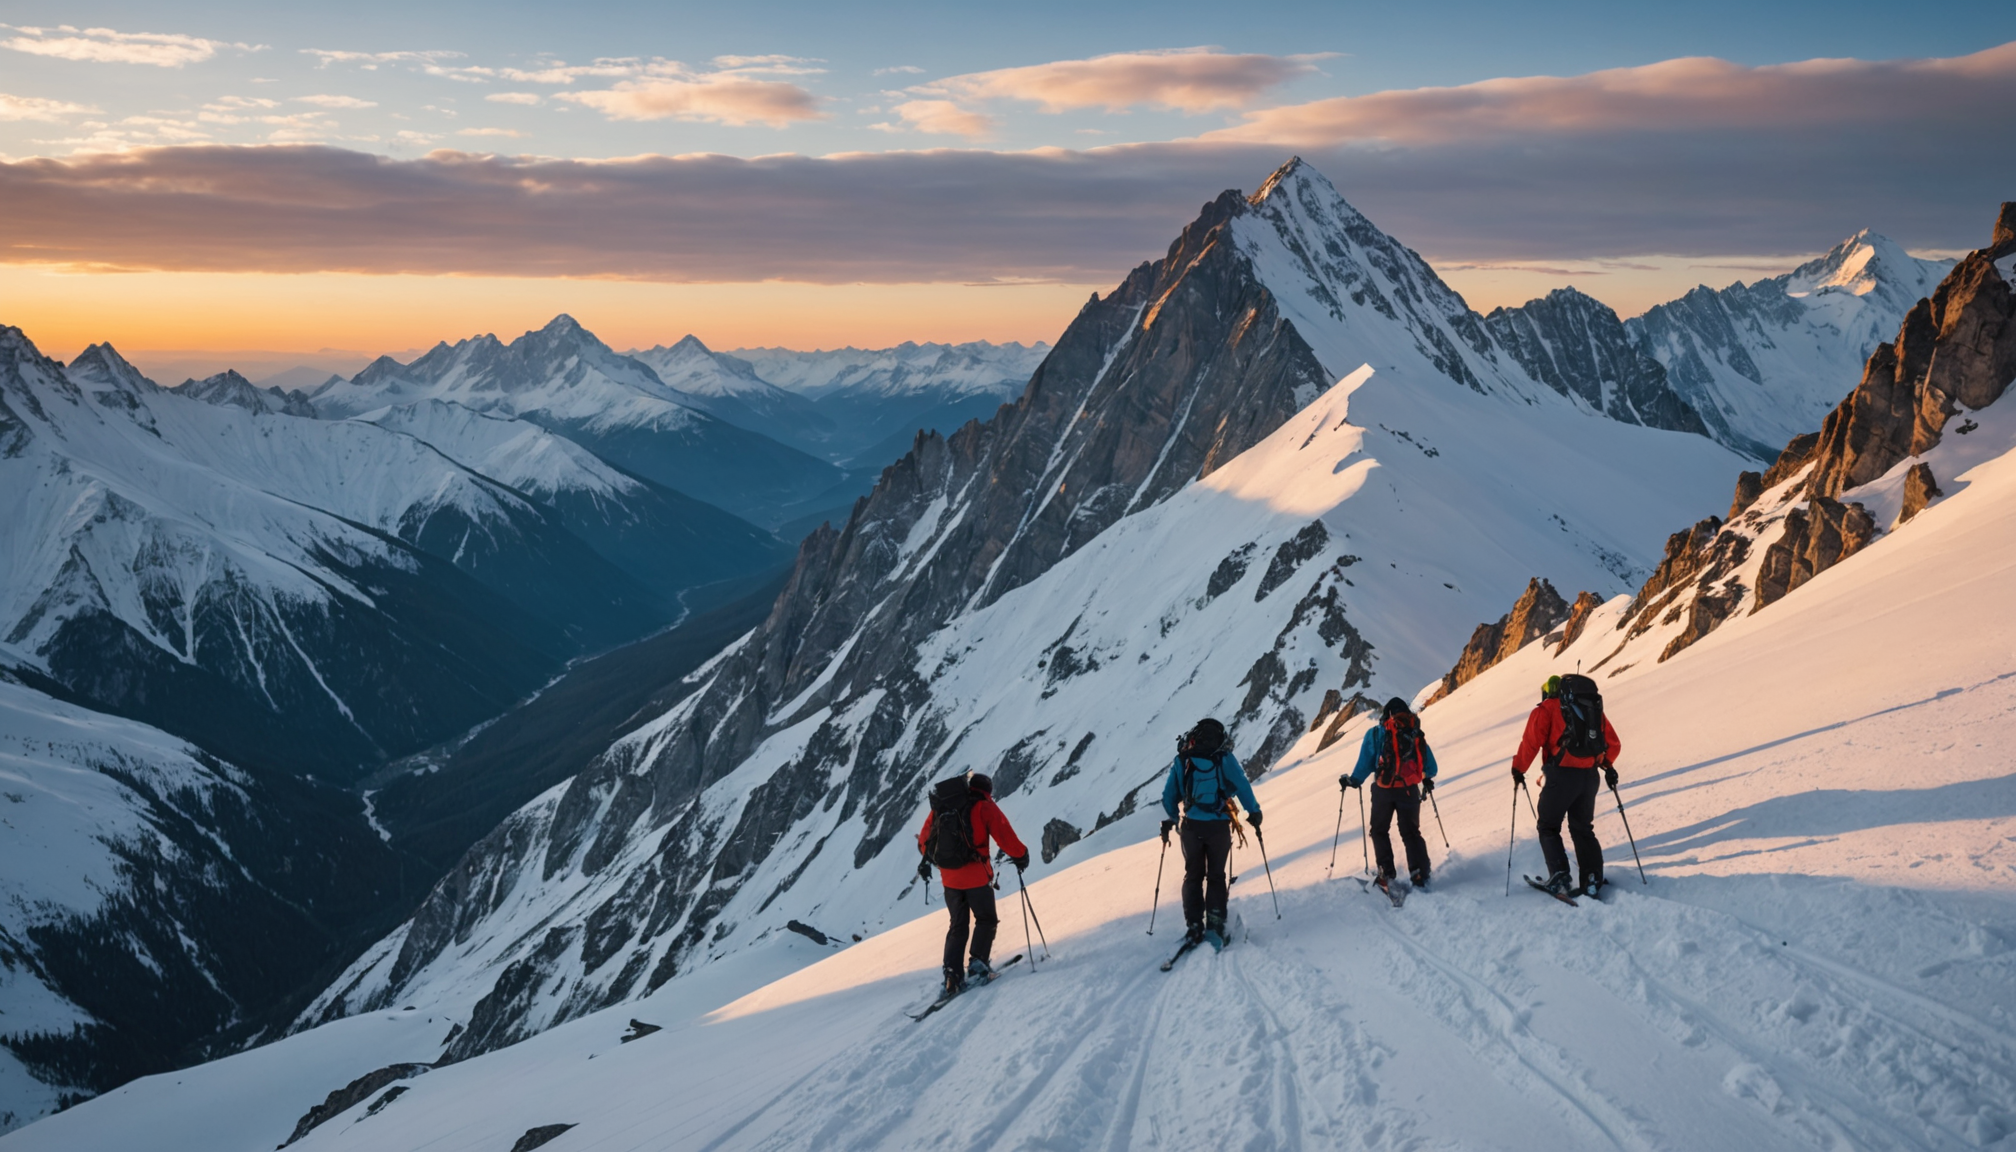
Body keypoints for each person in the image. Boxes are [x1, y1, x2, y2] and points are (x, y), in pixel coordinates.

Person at [916, 772, 1028, 997]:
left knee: (957, 926)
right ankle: (978, 966)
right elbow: (1004, 835)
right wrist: (1021, 855)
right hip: (977, 878)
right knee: (985, 919)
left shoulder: (943, 807)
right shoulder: (984, 806)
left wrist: (946, 865)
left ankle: (952, 976)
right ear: (987, 790)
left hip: (949, 880)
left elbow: (924, 843)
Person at [1512, 674, 1622, 897]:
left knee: (1548, 826)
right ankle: (1592, 877)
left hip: (1561, 776)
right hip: (1590, 777)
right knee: (1582, 828)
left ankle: (1560, 873)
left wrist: (1518, 769)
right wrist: (1602, 762)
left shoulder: (1546, 709)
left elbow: (1531, 743)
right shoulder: (1592, 708)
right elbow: (1613, 745)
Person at [1159, 718, 1262, 948]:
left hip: (1192, 827)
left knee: (1193, 876)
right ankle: (1215, 926)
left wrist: (1174, 819)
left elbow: (1168, 796)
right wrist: (1254, 812)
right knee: (1216, 875)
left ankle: (1194, 926)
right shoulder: (1223, 758)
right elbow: (1242, 784)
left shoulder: (1183, 760)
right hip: (1218, 827)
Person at [1340, 697, 1438, 889]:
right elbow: (1431, 767)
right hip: (1409, 790)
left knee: (1379, 830)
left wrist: (1354, 780)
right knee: (1410, 832)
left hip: (1383, 790)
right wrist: (1423, 777)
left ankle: (1387, 872)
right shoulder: (1414, 733)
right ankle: (1419, 873)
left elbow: (1366, 763)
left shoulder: (1376, 733)